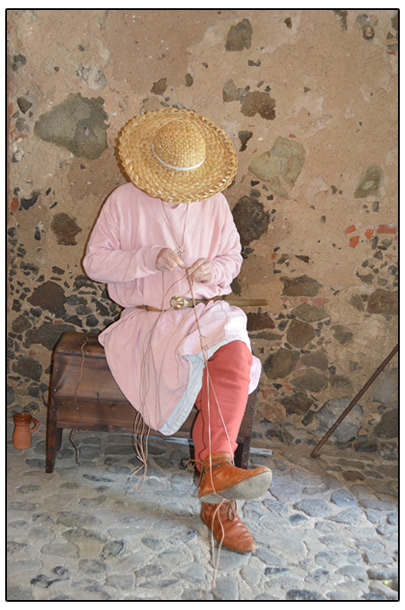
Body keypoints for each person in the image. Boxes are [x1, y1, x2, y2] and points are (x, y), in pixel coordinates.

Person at [82, 108, 272, 553]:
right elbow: (95, 263)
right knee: (217, 362)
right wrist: (146, 258)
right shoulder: (124, 200)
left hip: (204, 312)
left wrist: (213, 270)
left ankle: (217, 474)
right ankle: (218, 495)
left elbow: (232, 259)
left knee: (235, 351)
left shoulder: (214, 202)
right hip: (150, 320)